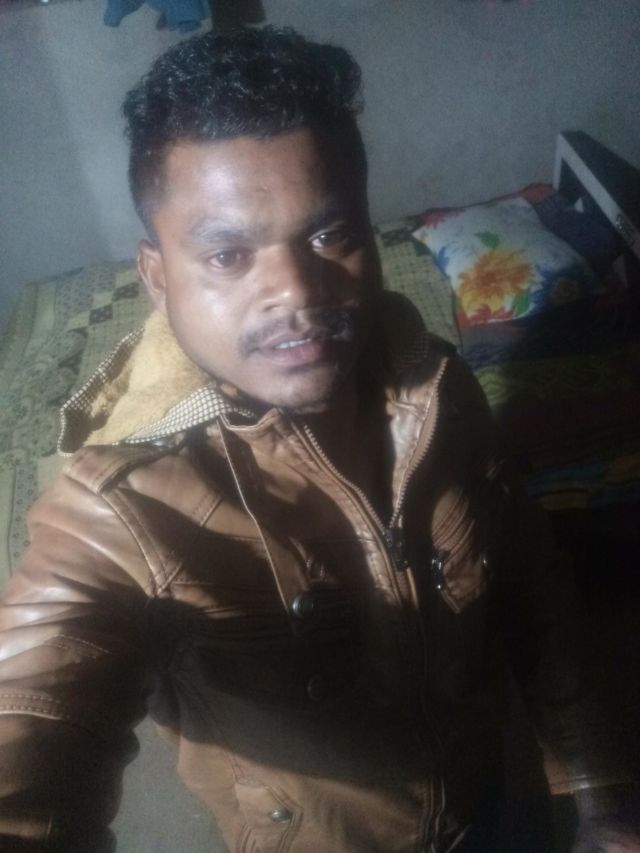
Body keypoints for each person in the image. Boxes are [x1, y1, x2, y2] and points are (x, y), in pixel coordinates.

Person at [0, 26, 637, 853]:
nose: (297, 293)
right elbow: (33, 717)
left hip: (499, 801)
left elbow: (532, 580)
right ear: (156, 276)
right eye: (228, 255)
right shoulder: (117, 511)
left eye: (331, 235)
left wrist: (600, 789)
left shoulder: (437, 388)